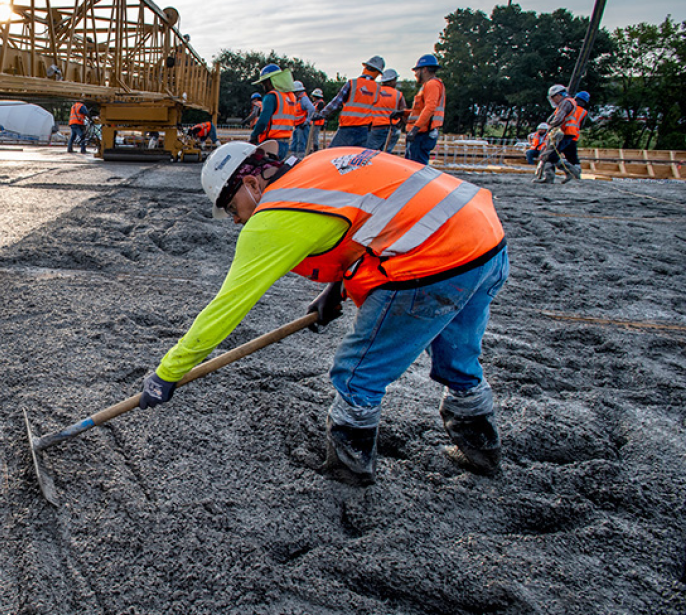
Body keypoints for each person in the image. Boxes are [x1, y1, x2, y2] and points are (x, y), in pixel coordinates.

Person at [138, 141, 509, 486]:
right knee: (457, 357)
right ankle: (481, 450)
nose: (236, 220)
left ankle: (350, 470)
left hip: (431, 261)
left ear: (251, 183)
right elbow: (375, 222)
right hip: (483, 239)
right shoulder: (318, 164)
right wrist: (335, 290)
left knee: (357, 373)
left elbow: (227, 307)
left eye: (233, 208)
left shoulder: (274, 216)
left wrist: (167, 373)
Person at [314, 56, 384, 149]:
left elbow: (336, 103)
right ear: (378, 73)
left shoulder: (353, 83)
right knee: (355, 157)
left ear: (365, 68)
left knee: (333, 155)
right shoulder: (378, 89)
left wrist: (321, 114)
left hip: (347, 128)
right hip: (364, 130)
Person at [248, 64, 302, 159]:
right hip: (285, 142)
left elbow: (263, 121)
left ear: (270, 81)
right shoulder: (291, 97)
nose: (264, 87)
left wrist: (254, 135)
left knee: (265, 171)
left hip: (272, 143)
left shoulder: (271, 97)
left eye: (264, 83)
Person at [534, 85, 583, 184]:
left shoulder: (565, 103)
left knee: (551, 155)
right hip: (566, 133)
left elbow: (559, 118)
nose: (552, 100)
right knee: (549, 154)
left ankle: (572, 172)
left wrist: (550, 126)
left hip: (564, 133)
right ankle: (549, 177)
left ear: (559, 95)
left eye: (553, 97)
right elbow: (553, 117)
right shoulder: (566, 103)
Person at [405, 54, 446, 166]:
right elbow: (421, 110)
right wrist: (404, 113)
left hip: (422, 133)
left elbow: (430, 108)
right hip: (421, 131)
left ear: (425, 69)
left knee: (415, 167)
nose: (416, 74)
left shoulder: (432, 84)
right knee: (413, 166)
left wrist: (415, 129)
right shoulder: (429, 85)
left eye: (417, 71)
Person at [366, 69, 408, 154]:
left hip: (376, 129)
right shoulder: (398, 94)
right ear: (390, 81)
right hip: (392, 129)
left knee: (369, 155)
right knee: (385, 155)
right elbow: (404, 113)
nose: (396, 83)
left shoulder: (374, 92)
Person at [289, 80, 318, 156]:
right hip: (298, 125)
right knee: (295, 144)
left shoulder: (303, 99)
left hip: (302, 125)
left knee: (301, 145)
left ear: (298, 91)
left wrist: (307, 121)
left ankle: (300, 159)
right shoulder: (298, 99)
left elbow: (311, 109)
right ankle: (293, 159)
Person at [309, 88, 325, 152]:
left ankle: (315, 149)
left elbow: (318, 112)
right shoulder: (315, 103)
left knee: (315, 137)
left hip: (317, 123)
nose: (313, 98)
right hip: (313, 122)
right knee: (312, 137)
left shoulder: (320, 103)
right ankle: (312, 148)